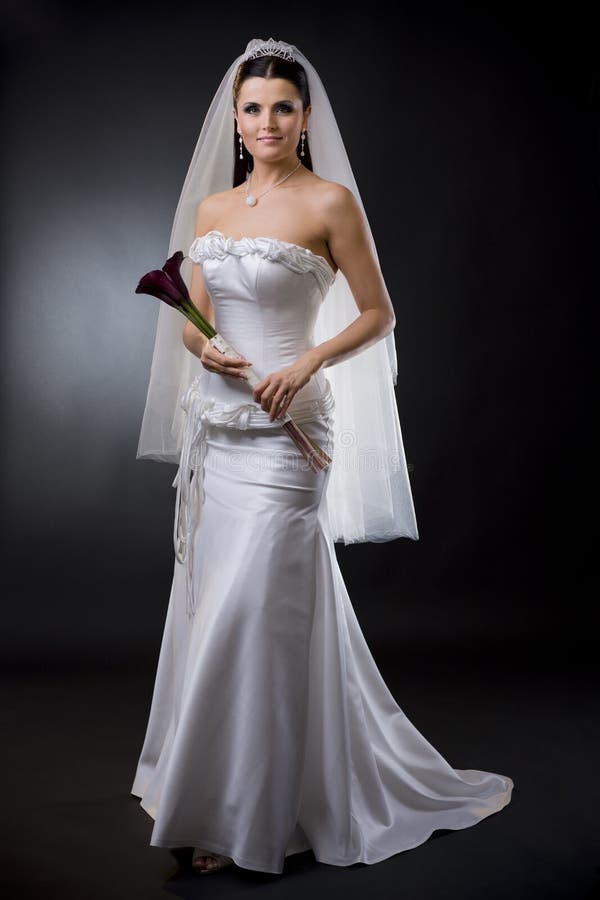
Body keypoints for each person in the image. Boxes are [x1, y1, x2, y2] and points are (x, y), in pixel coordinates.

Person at [130, 37, 513, 877]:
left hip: (292, 431)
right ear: (236, 120)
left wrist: (305, 362)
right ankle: (212, 792)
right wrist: (210, 355)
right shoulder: (213, 212)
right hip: (222, 430)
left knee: (260, 611)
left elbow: (378, 314)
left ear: (305, 119)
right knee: (218, 607)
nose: (267, 121)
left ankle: (247, 814)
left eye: (283, 108)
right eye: (254, 108)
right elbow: (194, 317)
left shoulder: (330, 202)